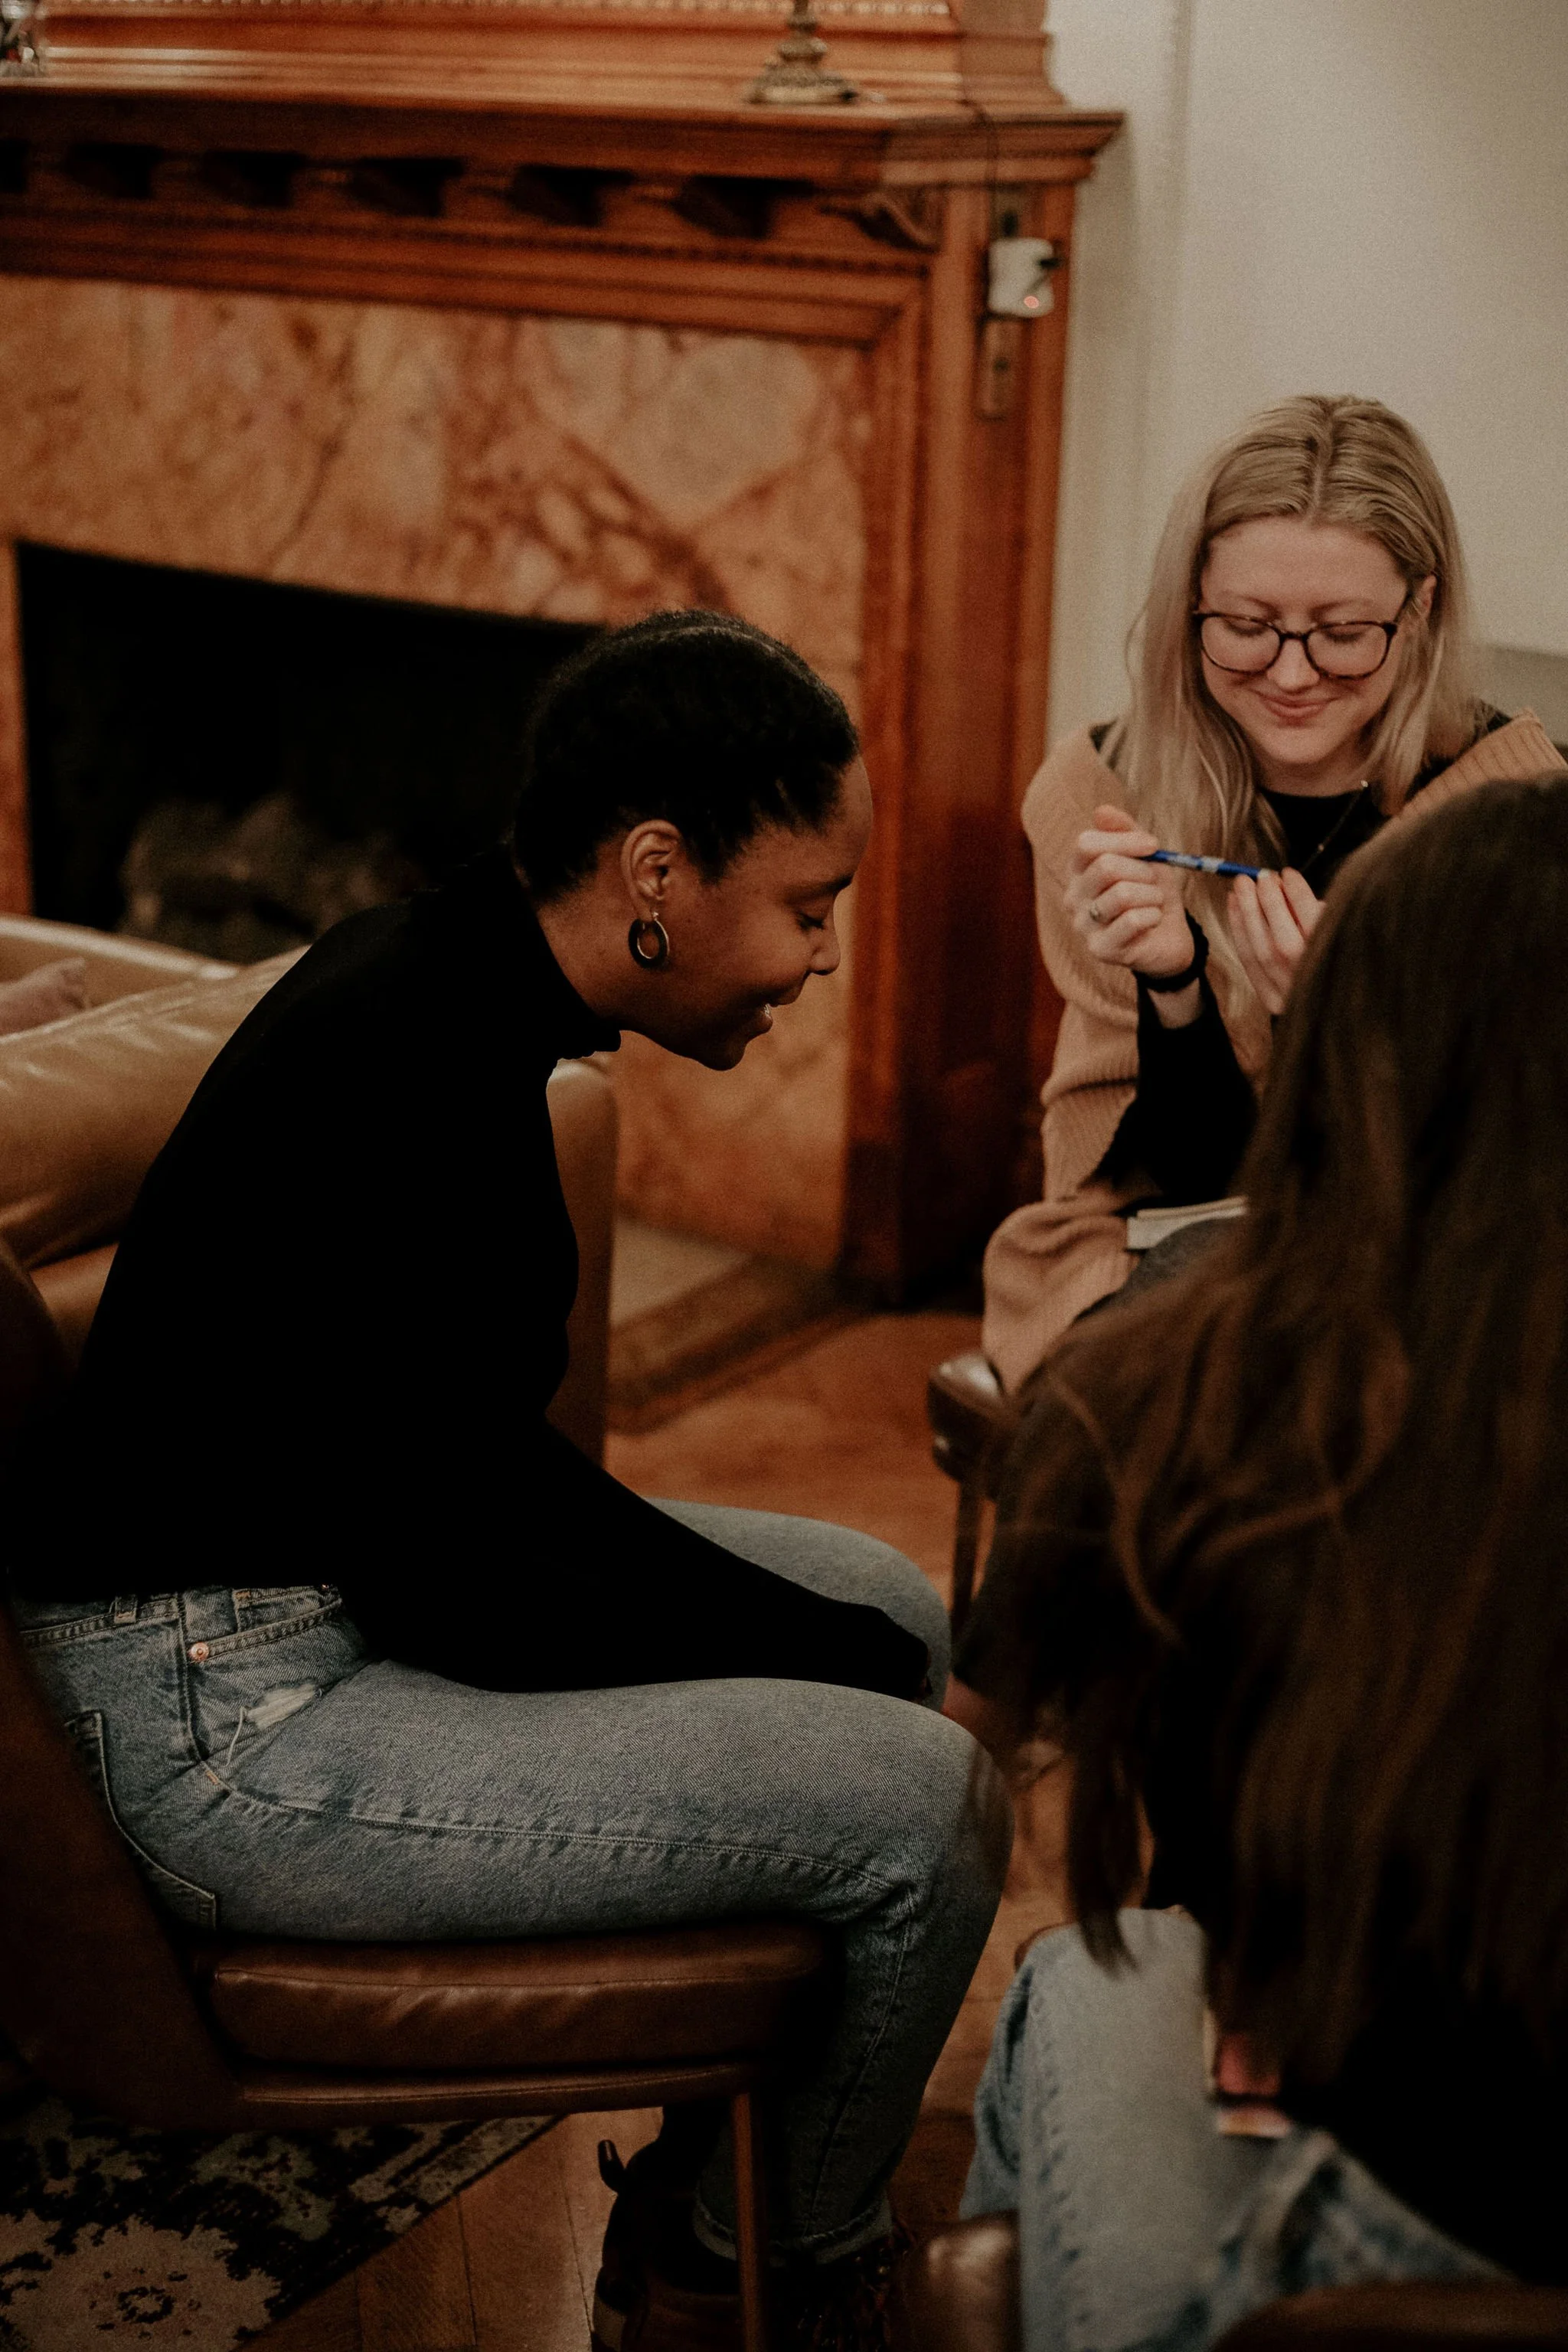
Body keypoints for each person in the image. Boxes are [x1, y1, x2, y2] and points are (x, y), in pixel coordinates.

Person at [6, 612, 1008, 2346]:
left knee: (887, 1612)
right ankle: (760, 2277)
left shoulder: (460, 985)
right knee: (931, 1811)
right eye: (808, 905)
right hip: (225, 1715)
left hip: (332, 1586)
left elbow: (472, 1486)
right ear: (655, 873)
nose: (824, 956)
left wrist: (813, 1648)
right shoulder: (406, 1052)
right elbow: (462, 1572)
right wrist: (797, 1666)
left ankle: (708, 2195)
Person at [952, 769, 1568, 2350]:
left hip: (1394, 2239)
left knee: (1083, 1984)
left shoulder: (1192, 1401)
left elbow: (1004, 1731)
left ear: (1358, 1053)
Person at [982, 394, 1561, 1393]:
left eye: (1344, 633)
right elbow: (1186, 1183)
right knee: (1202, 1347)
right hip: (1162, 1228)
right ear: (1190, 608)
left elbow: (1501, 1177)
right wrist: (1174, 988)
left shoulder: (1514, 816)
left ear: (1421, 608)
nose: (1292, 675)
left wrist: (1336, 1020)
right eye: (1246, 628)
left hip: (1436, 1240)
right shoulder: (1099, 794)